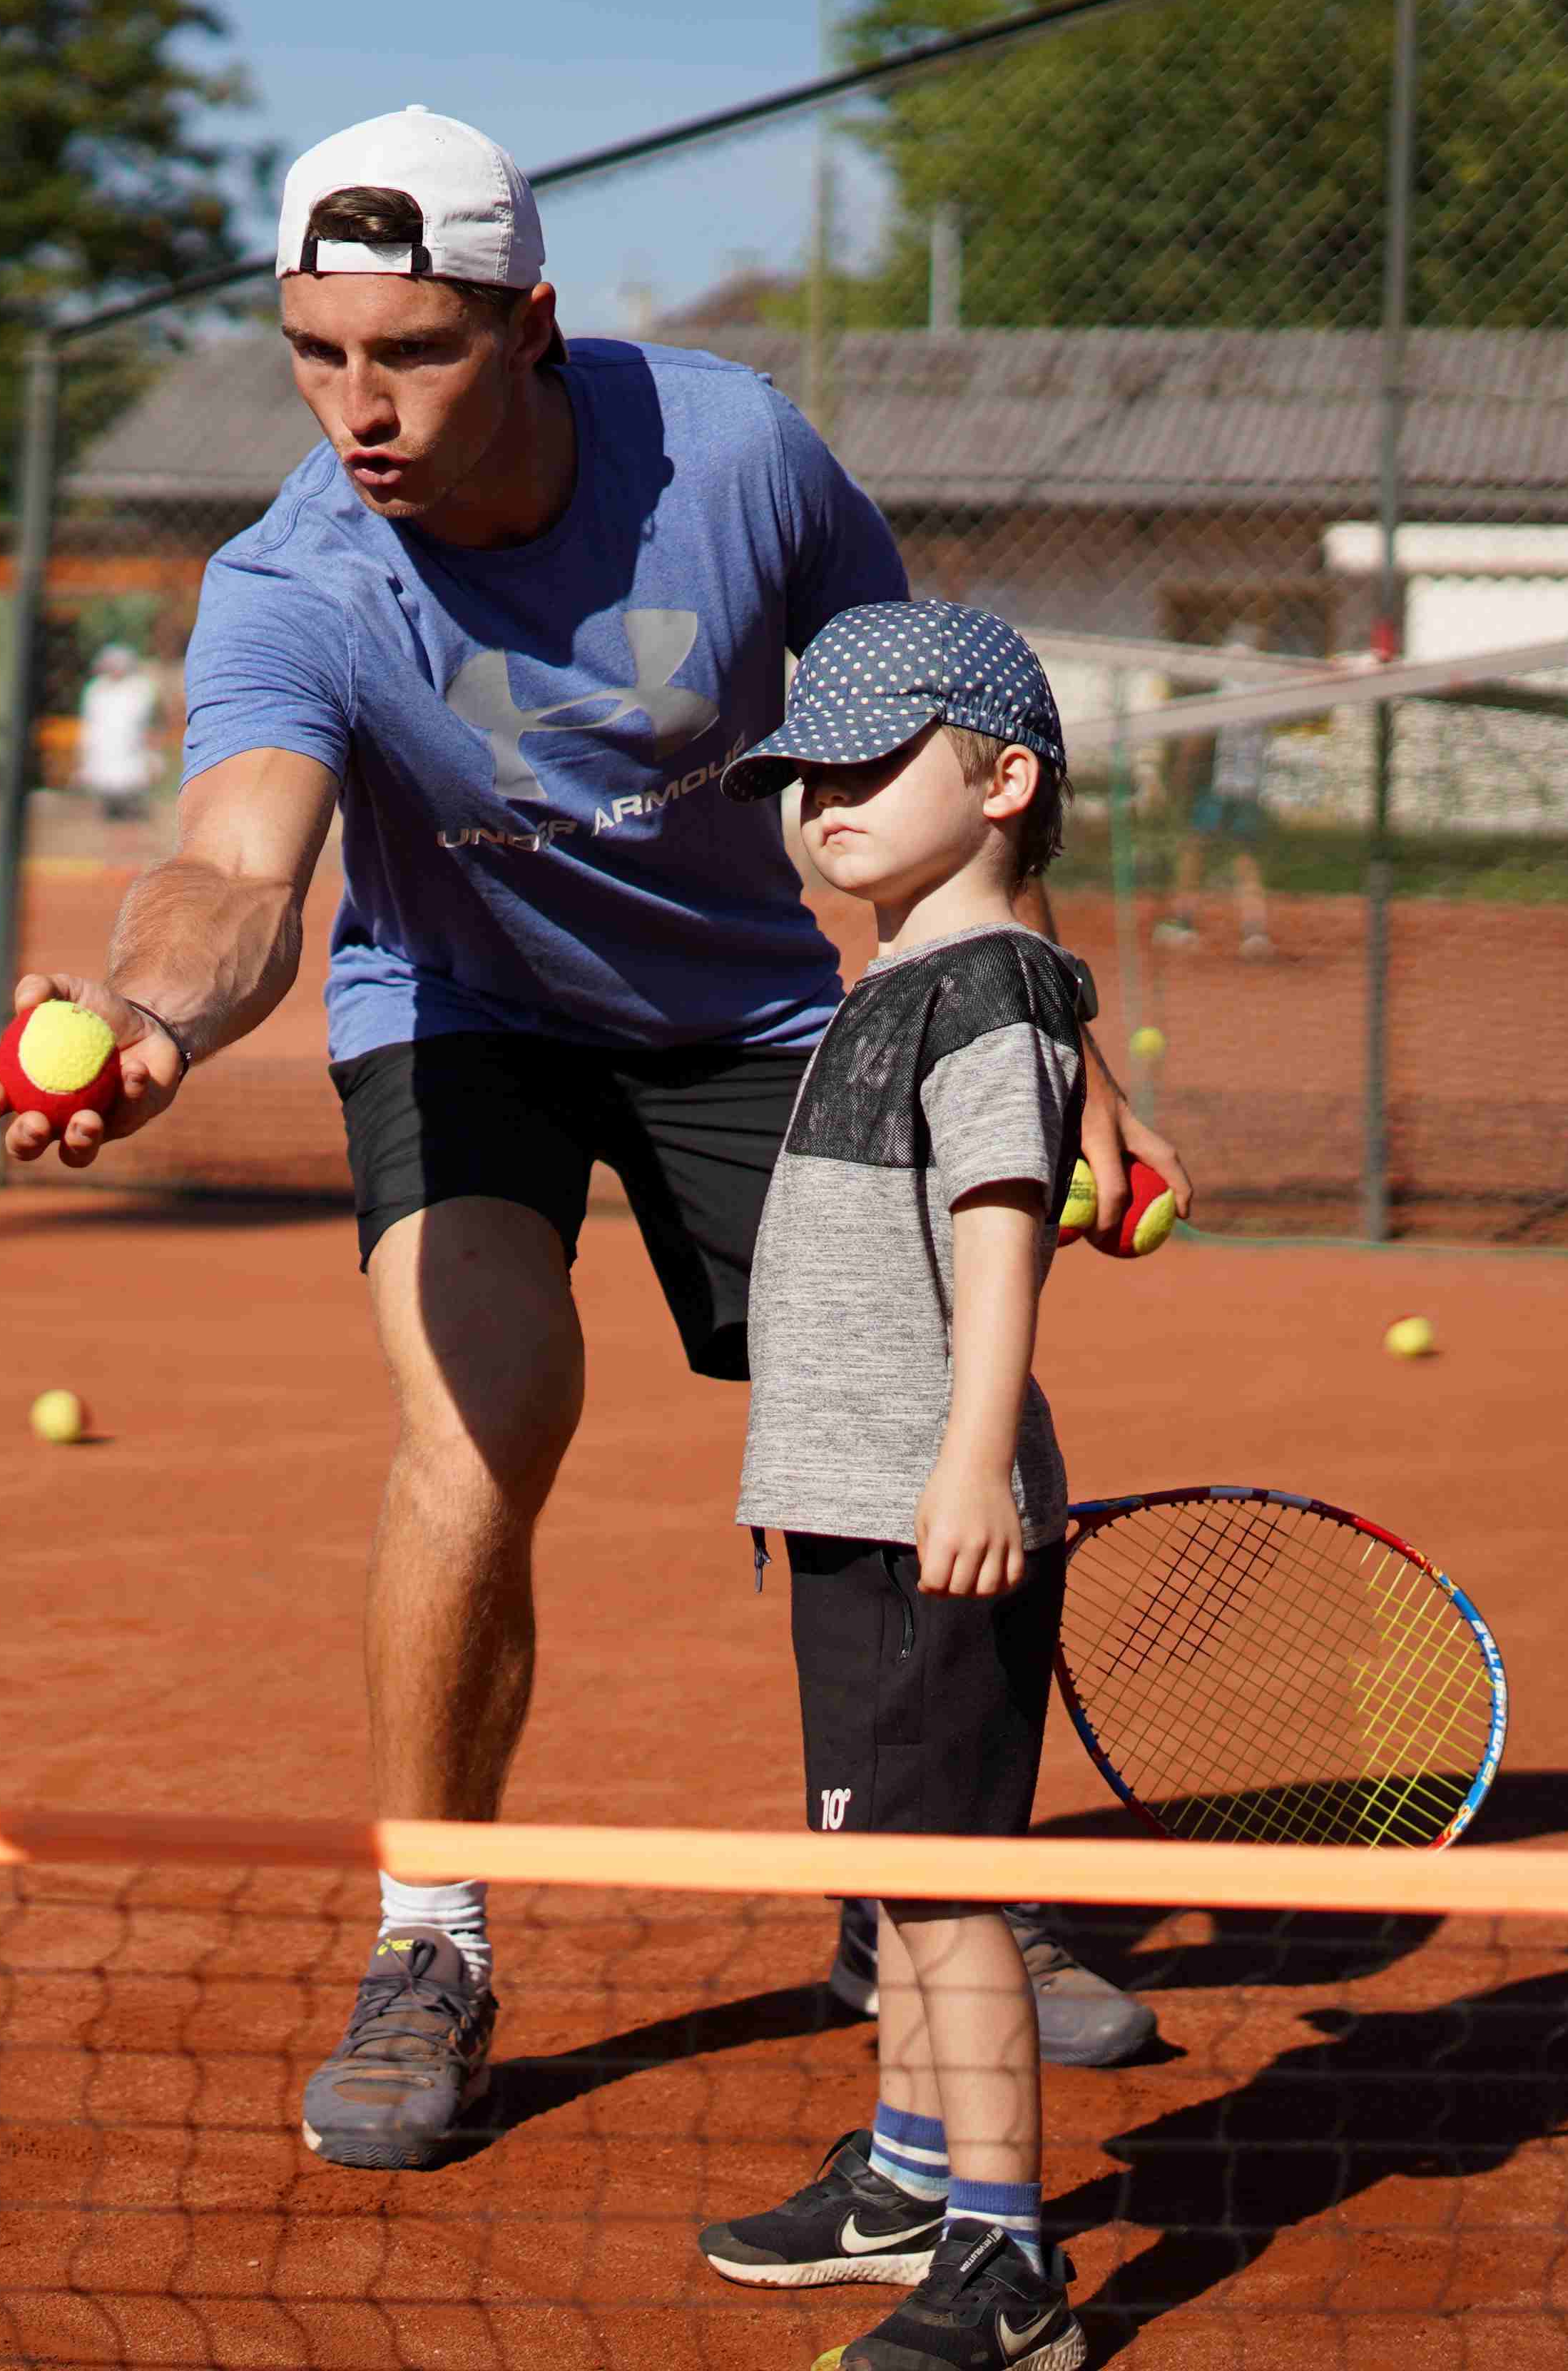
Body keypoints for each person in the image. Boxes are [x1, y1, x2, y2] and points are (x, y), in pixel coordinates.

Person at [0, 107, 1182, 2168]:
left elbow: (946, 749)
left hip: (755, 1006)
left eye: (413, 352)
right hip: (461, 1016)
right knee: (478, 1421)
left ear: (529, 324)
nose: (360, 407)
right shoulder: (293, 581)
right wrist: (152, 1011)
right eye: (317, 351)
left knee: (941, 1423)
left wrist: (1042, 1031)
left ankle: (923, 1901)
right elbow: (237, 871)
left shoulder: (738, 457)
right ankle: (426, 1936)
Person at [690, 602, 1092, 2371]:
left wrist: (969, 1460)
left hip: (935, 1509)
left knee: (945, 1884)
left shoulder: (993, 990)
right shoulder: (896, 985)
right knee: (892, 1877)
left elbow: (1004, 1240)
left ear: (1003, 780)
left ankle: (1010, 2260)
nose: (822, 799)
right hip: (855, 1504)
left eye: (868, 762)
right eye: (804, 773)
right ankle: (915, 2181)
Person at [1158, 623, 1277, 961]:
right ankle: (1255, 932)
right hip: (1249, 786)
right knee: (1245, 858)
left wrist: (1181, 775)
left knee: (1194, 849)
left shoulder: (1223, 693)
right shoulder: (1263, 696)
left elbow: (1198, 741)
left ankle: (1183, 923)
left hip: (1217, 784)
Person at [75, 644, 162, 827]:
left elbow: (148, 724)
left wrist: (153, 754)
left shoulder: (140, 688)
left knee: (131, 797)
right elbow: (91, 725)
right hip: (103, 750)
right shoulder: (96, 690)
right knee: (108, 798)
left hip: (132, 751)